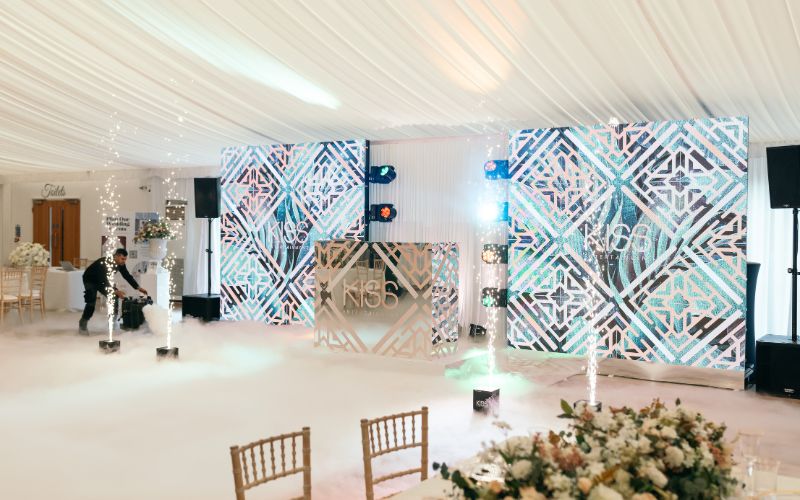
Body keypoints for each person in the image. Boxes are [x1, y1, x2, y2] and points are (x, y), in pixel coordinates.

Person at [78, 248, 147, 333]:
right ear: (116, 256)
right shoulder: (104, 262)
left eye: (125, 259)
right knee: (91, 300)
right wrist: (116, 291)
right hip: (90, 280)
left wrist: (138, 287)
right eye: (122, 259)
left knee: (114, 297)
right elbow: (103, 280)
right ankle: (83, 323)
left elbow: (127, 275)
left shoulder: (121, 264)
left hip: (103, 281)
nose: (124, 261)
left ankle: (112, 322)